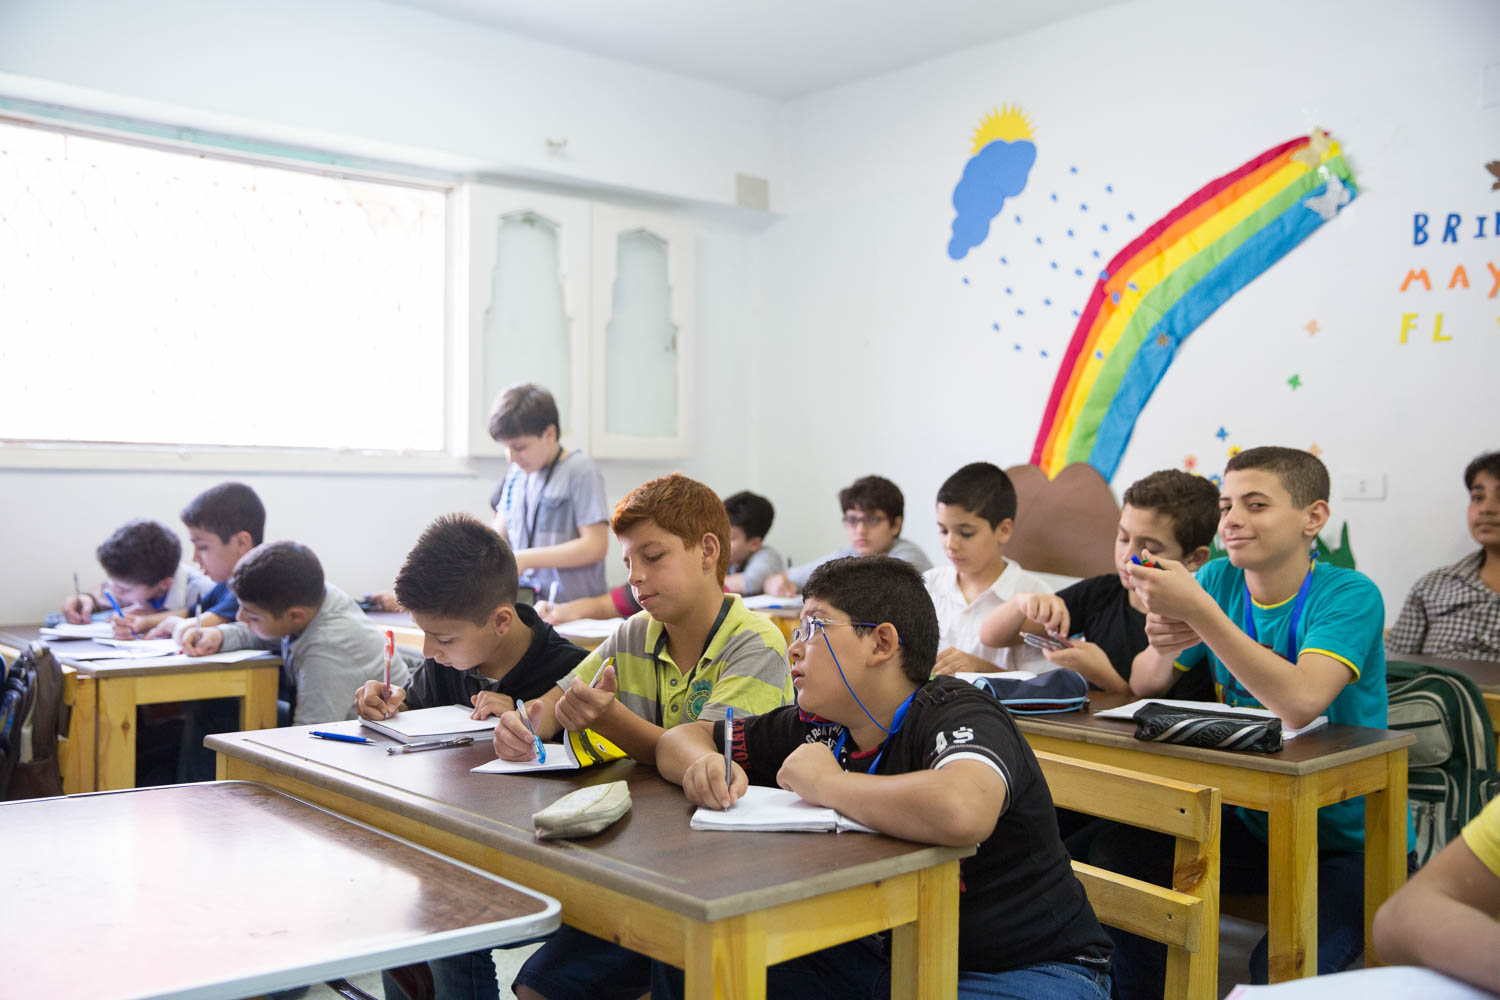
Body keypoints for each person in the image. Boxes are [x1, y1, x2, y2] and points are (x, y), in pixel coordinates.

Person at [653, 555, 1113, 999]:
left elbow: (963, 809)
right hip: (887, 959)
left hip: (1022, 971)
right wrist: (704, 763)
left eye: (814, 627)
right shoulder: (820, 722)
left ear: (882, 643)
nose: (793, 645)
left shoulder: (957, 709)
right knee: (694, 951)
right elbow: (681, 737)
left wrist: (827, 785)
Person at [1387, 450, 1500, 660]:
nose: (1486, 508)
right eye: (1478, 497)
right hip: (1439, 692)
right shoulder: (1433, 587)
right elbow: (1393, 667)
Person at [763, 474, 931, 597]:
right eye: (852, 520)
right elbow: (780, 578)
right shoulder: (849, 555)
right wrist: (777, 585)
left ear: (895, 525)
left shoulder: (908, 557)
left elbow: (877, 596)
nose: (860, 530)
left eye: (872, 520)